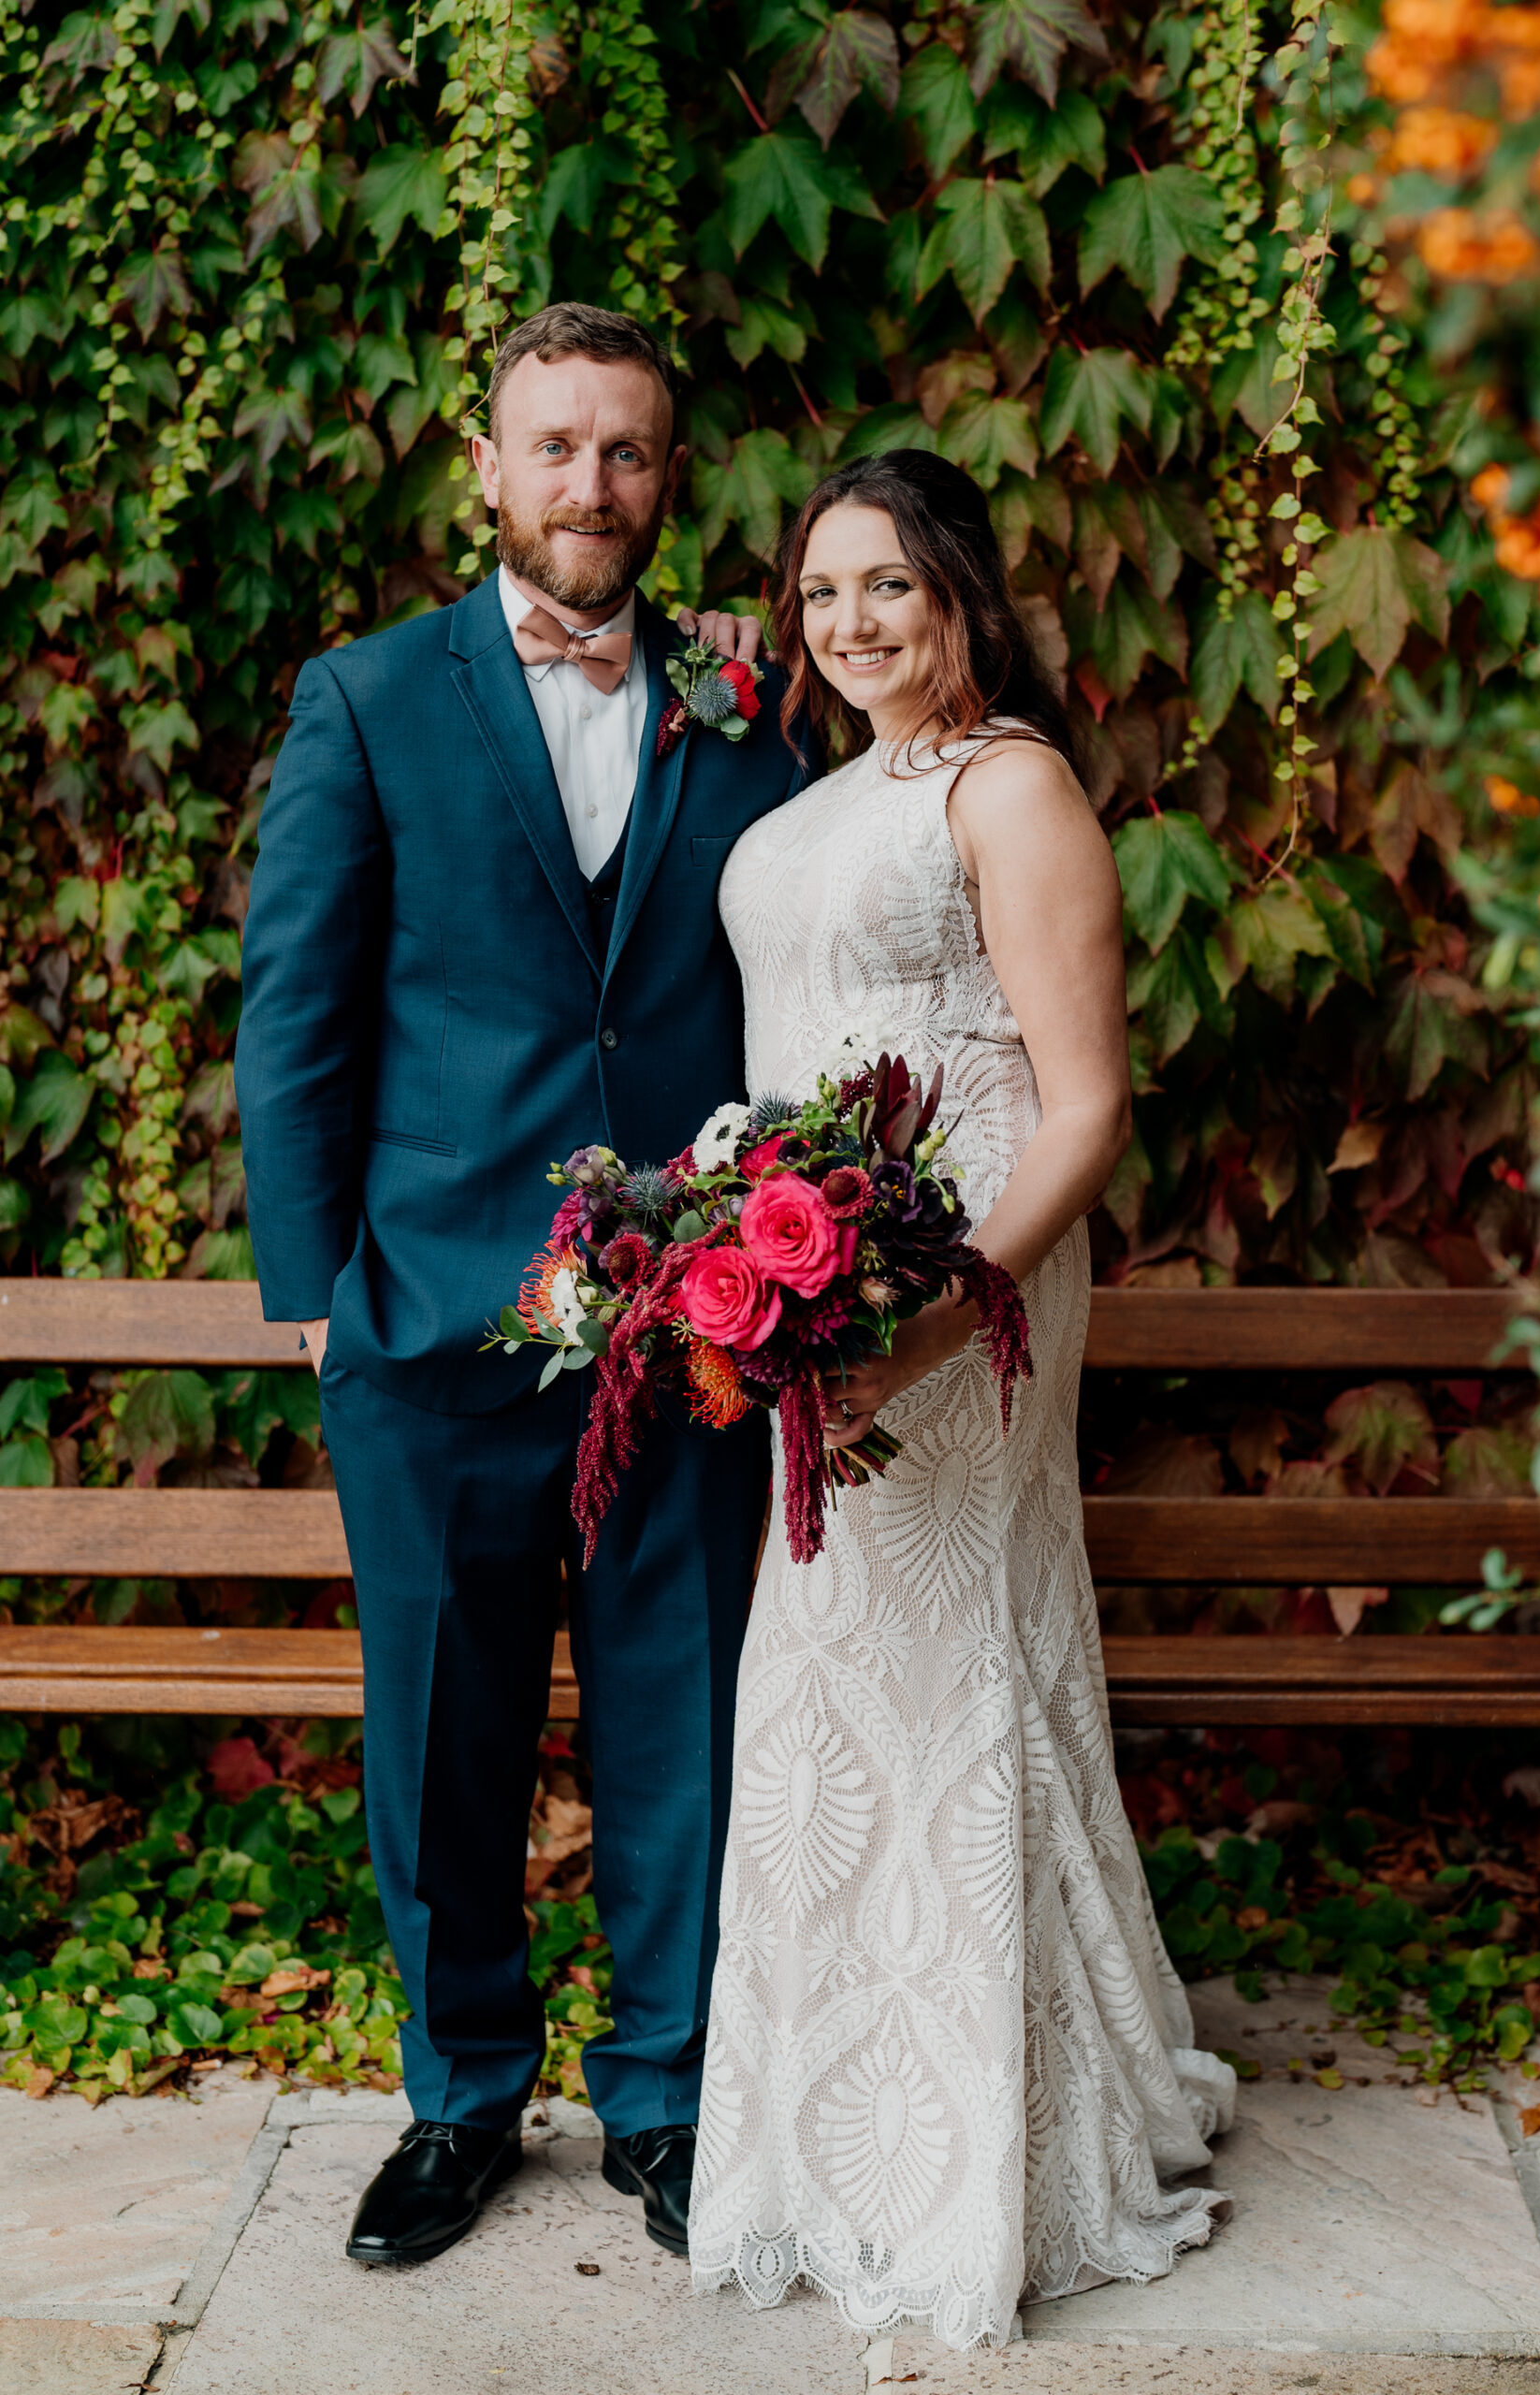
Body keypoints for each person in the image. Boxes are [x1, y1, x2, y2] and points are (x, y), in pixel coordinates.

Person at [236, 303, 809, 2270]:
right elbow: (295, 1004)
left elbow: (788, 989)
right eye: (555, 447)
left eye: (626, 451)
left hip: (685, 1327)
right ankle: (460, 2093)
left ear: (667, 475)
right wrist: (315, 1291)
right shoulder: (370, 697)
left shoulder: (741, 712)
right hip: (428, 1322)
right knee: (442, 1736)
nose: (591, 486)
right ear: (484, 467)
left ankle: (665, 2099)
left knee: (681, 1721)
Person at [687, 450, 1236, 2350]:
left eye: (886, 585)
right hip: (817, 1282)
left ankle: (983, 2148)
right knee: (831, 1675)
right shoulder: (830, 786)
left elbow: (1079, 1100)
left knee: (941, 1664)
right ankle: (838, 2128)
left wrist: (930, 1321)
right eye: (820, 587)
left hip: (965, 1289)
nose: (850, 620)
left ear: (958, 595)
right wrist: (739, 1263)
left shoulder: (1009, 782)